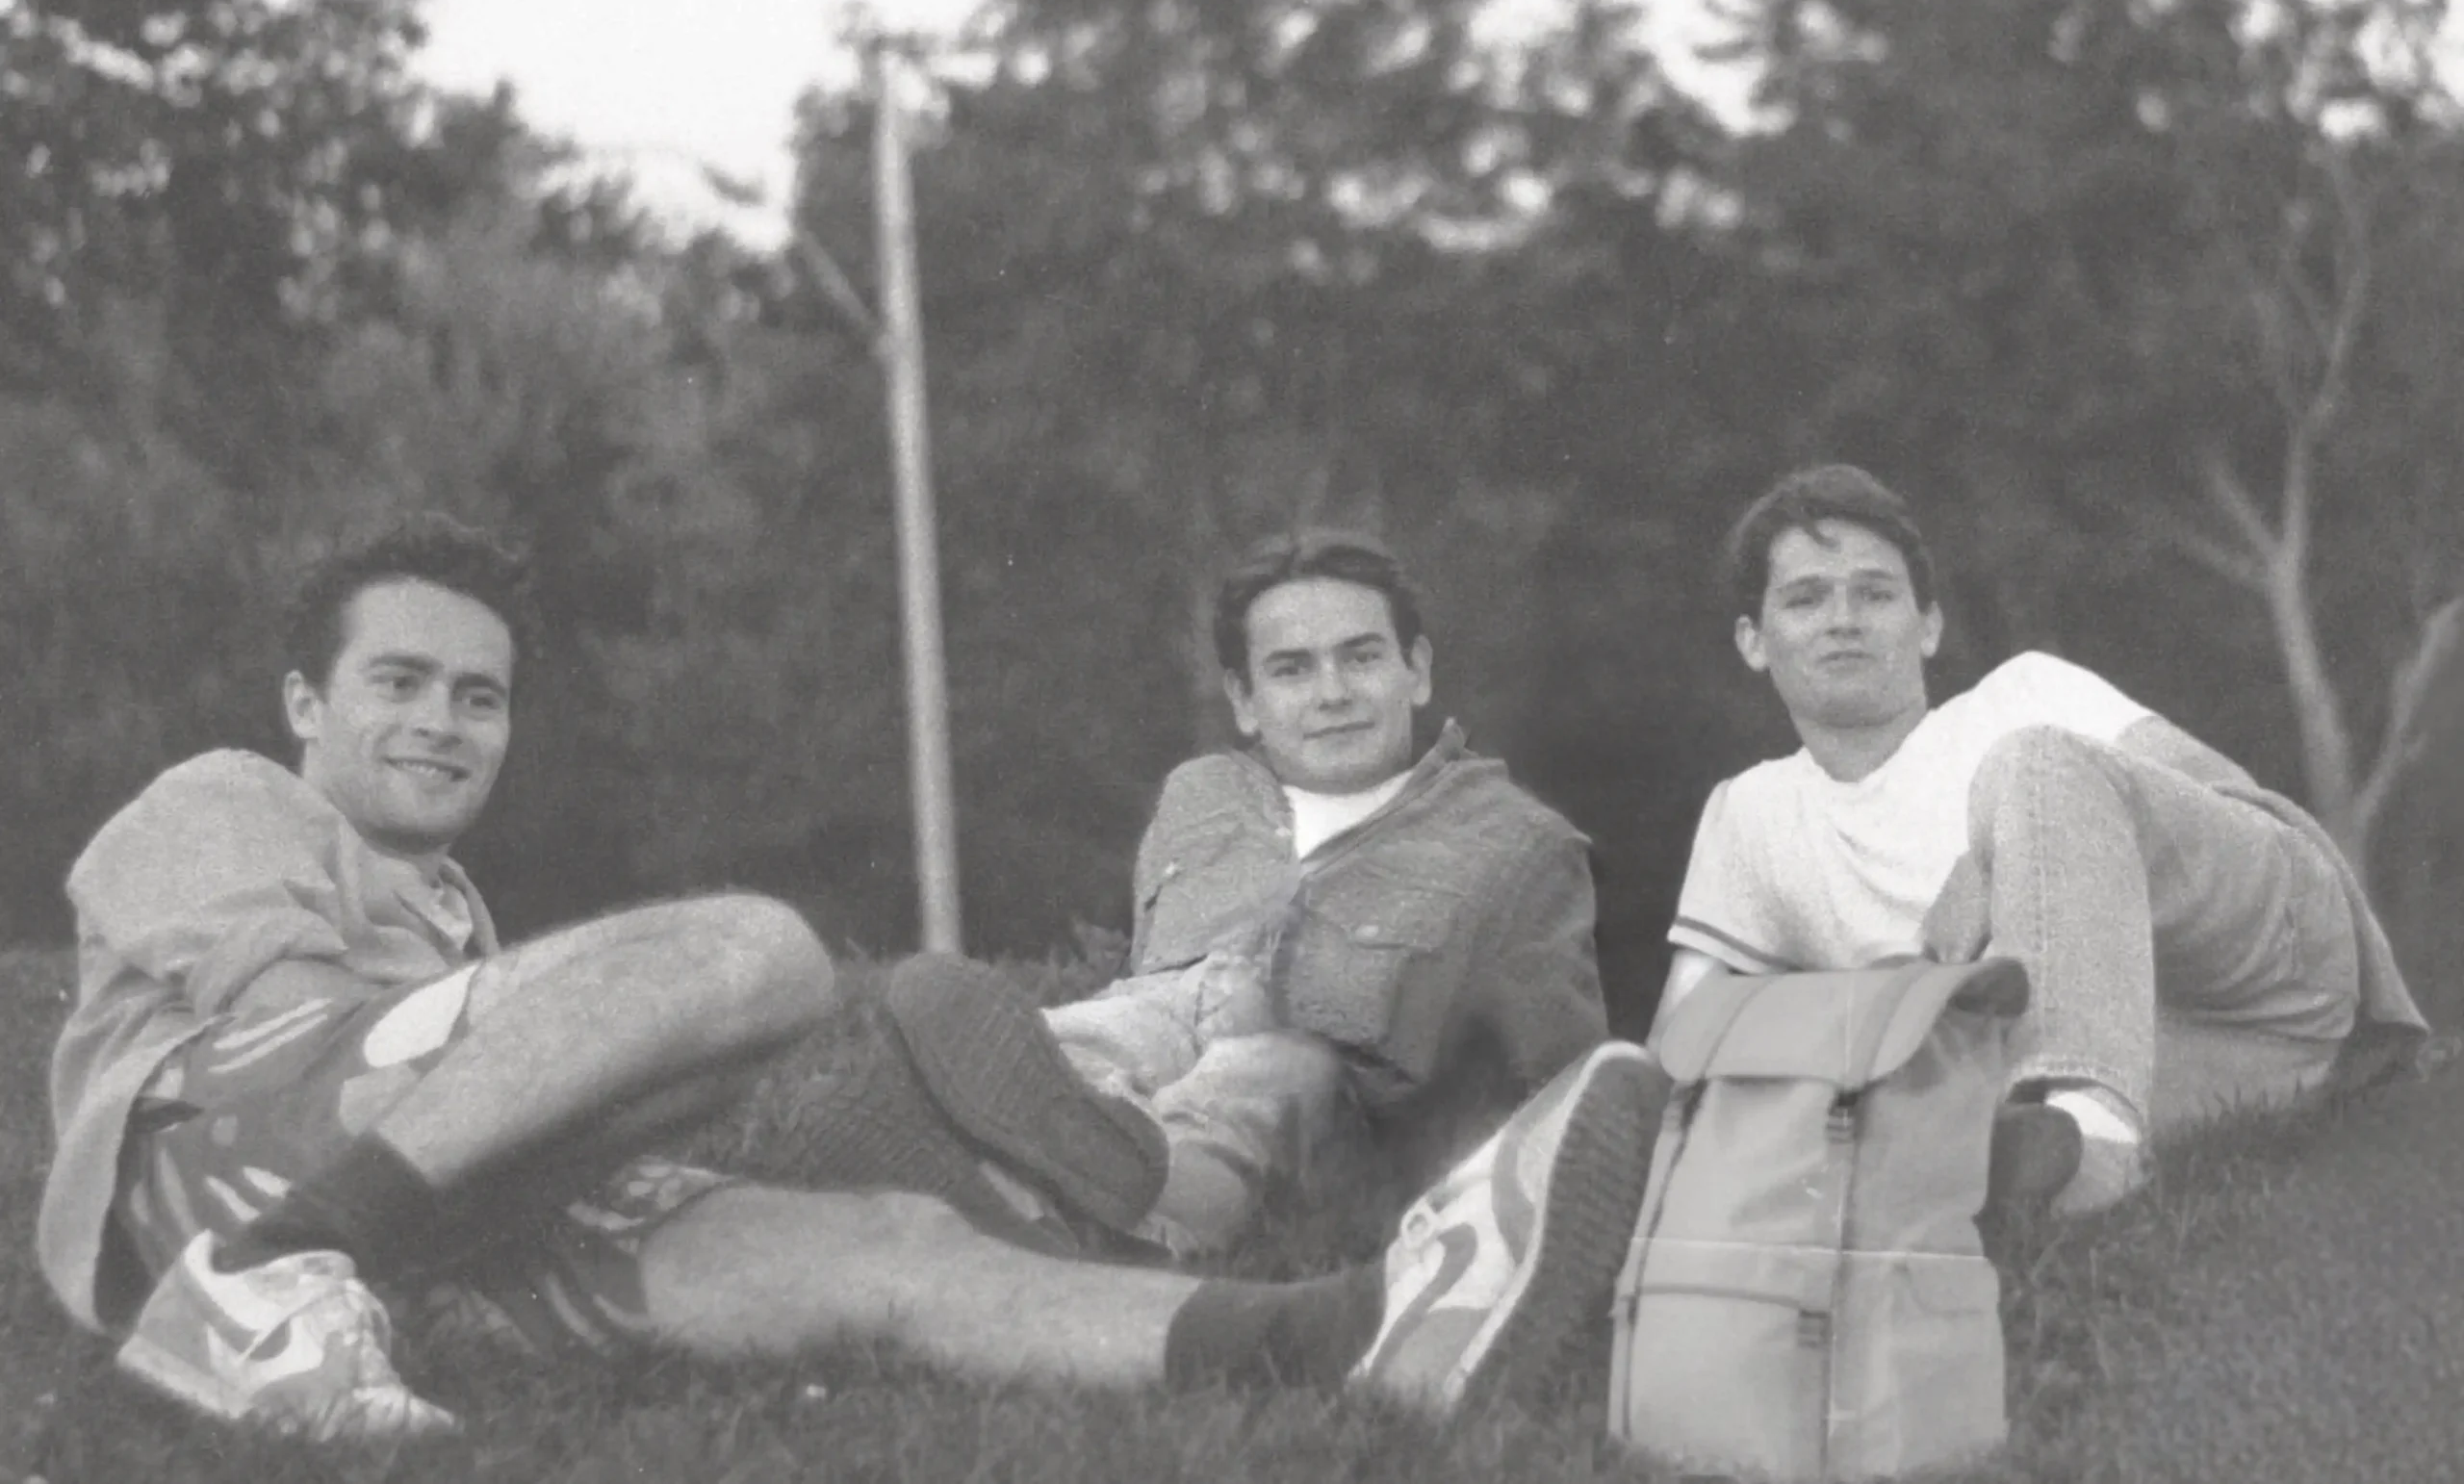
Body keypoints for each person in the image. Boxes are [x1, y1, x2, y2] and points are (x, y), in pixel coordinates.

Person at [40, 513, 1660, 1442]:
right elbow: (261, 1031)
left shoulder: (452, 906)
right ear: (300, 702)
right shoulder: (225, 796)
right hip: (245, 1179)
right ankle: (267, 1275)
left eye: (480, 694)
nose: (444, 720)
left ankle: (1347, 1326)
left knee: (888, 1244)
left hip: (434, 1241)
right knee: (753, 951)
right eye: (399, 681)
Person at [1655, 464, 2428, 1217]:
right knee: (1924, 1100)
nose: (1844, 618)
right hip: (2180, 1061)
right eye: (1806, 598)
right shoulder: (1754, 815)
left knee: (2034, 764)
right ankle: (2065, 1137)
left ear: (1927, 628)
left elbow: (2232, 820)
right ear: (1754, 641)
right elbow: (1685, 1036)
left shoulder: (2026, 695)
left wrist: (1979, 897)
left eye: (1876, 593)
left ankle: (2093, 1152)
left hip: (2271, 972)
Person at [878, 528, 1609, 1258]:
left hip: (1346, 1112)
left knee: (1268, 1062)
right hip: (1164, 1040)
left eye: (1361, 657)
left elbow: (1558, 1086)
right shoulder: (1200, 796)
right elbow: (1157, 984)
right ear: (1245, 700)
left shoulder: (1517, 842)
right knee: (1110, 1028)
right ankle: (1007, 1179)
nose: (1333, 694)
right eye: (1292, 670)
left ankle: (1122, 1200)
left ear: (1415, 670)